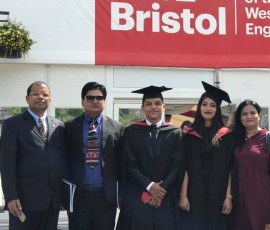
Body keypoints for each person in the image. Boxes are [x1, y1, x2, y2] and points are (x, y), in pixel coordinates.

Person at [0, 81, 66, 229]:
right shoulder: (13, 124)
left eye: (45, 94)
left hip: (52, 202)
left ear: (50, 99)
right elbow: (7, 164)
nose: (40, 97)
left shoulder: (59, 126)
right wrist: (11, 197)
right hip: (24, 202)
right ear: (27, 98)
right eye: (35, 94)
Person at [117, 85, 182, 230]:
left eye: (157, 103)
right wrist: (149, 186)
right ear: (142, 108)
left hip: (166, 197)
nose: (153, 107)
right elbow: (128, 163)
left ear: (164, 106)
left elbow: (177, 165)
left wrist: (160, 190)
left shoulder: (176, 133)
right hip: (139, 195)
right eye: (149, 104)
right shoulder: (131, 132)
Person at [64, 82, 124, 230]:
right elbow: (63, 160)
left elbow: (122, 163)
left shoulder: (117, 127)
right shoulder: (68, 127)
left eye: (99, 98)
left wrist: (121, 195)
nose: (95, 101)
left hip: (106, 197)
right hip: (79, 196)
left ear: (104, 101)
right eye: (90, 97)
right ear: (82, 101)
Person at [179, 81, 234, 230]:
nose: (208, 108)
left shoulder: (227, 136)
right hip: (194, 193)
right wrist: (183, 195)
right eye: (204, 104)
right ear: (199, 107)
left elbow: (231, 168)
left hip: (219, 193)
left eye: (212, 105)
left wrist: (229, 197)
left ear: (217, 109)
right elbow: (185, 167)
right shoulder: (189, 136)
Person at [232, 99, 270, 230]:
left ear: (259, 115)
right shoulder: (235, 139)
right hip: (239, 197)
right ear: (240, 118)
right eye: (244, 114)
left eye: (252, 113)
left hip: (262, 196)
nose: (248, 116)